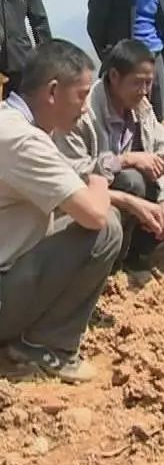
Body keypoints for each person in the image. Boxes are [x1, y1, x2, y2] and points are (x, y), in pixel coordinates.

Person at [0, 39, 122, 383]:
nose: (85, 108)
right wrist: (101, 177)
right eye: (82, 95)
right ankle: (47, 345)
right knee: (106, 228)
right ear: (53, 91)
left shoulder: (11, 125)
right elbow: (93, 215)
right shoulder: (22, 139)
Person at [53, 39, 164, 270]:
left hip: (134, 197)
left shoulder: (142, 108)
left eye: (149, 83)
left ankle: (139, 255)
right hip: (95, 199)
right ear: (114, 76)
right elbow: (74, 171)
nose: (145, 91)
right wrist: (124, 160)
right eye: (138, 83)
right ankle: (112, 261)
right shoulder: (82, 111)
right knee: (132, 180)